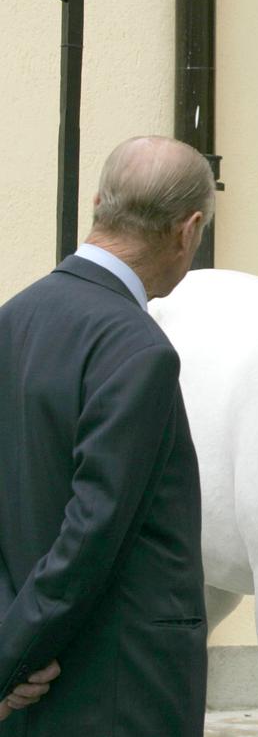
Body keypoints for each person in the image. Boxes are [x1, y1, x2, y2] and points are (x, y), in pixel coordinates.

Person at [0, 136, 214, 736]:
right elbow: (92, 530)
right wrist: (8, 661)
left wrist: (10, 646)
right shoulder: (137, 348)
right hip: (118, 690)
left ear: (97, 203)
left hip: (30, 687)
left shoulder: (11, 319)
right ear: (188, 230)